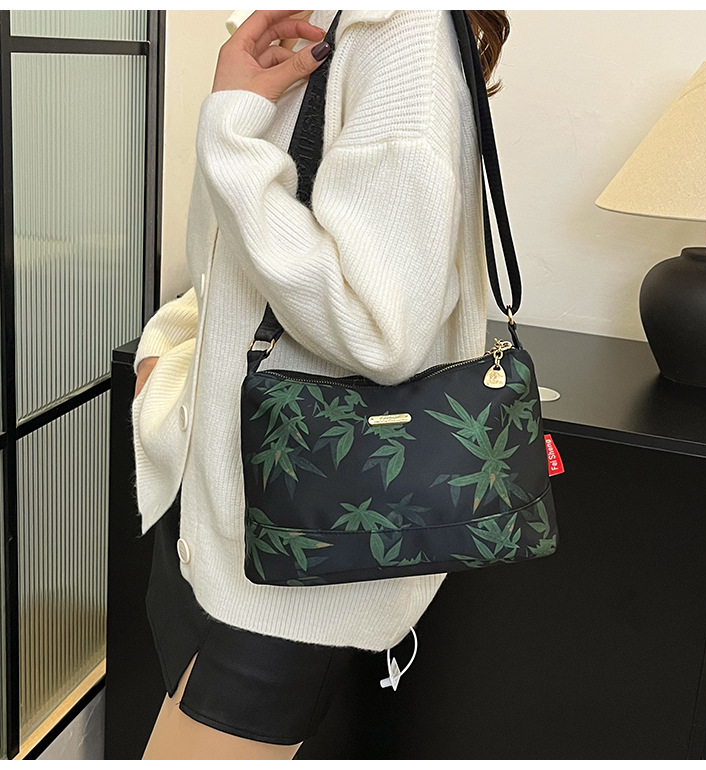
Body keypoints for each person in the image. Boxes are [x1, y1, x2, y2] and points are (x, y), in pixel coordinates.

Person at [133, 9, 511, 760]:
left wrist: (232, 129)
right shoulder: (320, 23)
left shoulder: (398, 32)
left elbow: (379, 327)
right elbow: (233, 269)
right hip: (223, 523)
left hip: (288, 566)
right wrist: (168, 347)